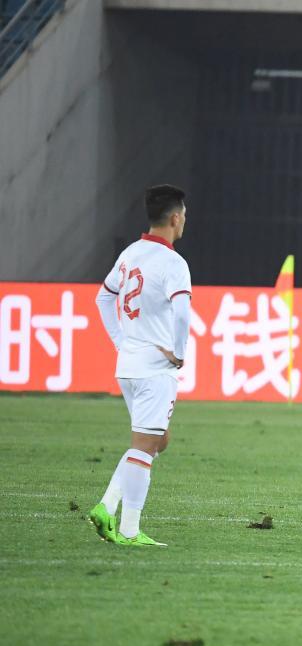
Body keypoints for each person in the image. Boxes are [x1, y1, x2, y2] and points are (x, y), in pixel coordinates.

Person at [89, 185, 192, 547]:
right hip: (154, 369)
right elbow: (182, 313)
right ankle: (128, 529)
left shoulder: (130, 253)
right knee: (144, 446)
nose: (185, 221)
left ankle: (108, 506)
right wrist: (179, 352)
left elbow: (103, 298)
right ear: (175, 218)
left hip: (129, 366)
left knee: (158, 440)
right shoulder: (173, 263)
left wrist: (122, 342)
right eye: (184, 216)